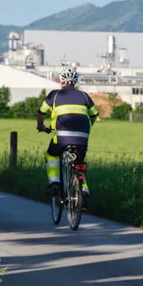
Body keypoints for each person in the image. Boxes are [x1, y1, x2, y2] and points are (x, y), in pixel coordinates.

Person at [37, 67, 99, 209]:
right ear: (75, 81)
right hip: (82, 136)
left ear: (61, 81)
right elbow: (94, 114)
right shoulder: (84, 96)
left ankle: (54, 183)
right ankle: (83, 193)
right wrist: (87, 128)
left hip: (62, 136)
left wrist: (41, 126)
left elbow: (41, 112)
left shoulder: (54, 95)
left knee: (51, 154)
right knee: (79, 164)